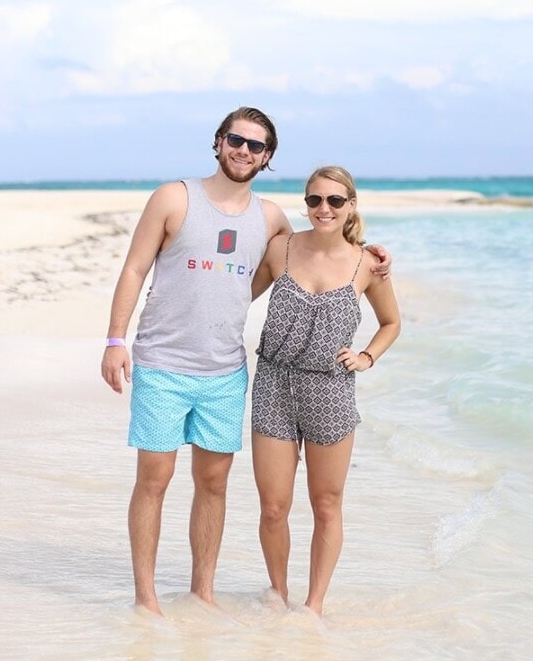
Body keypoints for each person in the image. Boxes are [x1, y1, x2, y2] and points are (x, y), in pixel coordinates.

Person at [101, 109, 392, 616]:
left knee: (214, 483)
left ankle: (203, 594)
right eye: (236, 140)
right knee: (154, 479)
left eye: (256, 146)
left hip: (226, 371)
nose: (244, 151)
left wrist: (374, 259)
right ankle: (145, 600)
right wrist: (114, 339)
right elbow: (134, 268)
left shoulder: (270, 219)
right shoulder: (175, 197)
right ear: (218, 142)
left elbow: (320, 254)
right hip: (164, 363)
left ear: (267, 158)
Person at [250, 165, 401, 618]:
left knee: (326, 503)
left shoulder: (368, 263)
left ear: (351, 205)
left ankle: (313, 605)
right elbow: (236, 294)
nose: (324, 209)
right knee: (274, 506)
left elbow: (392, 323)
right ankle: (278, 594)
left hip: (331, 391)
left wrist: (367, 356)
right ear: (306, 203)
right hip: (274, 383)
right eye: (315, 200)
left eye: (335, 201)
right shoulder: (282, 248)